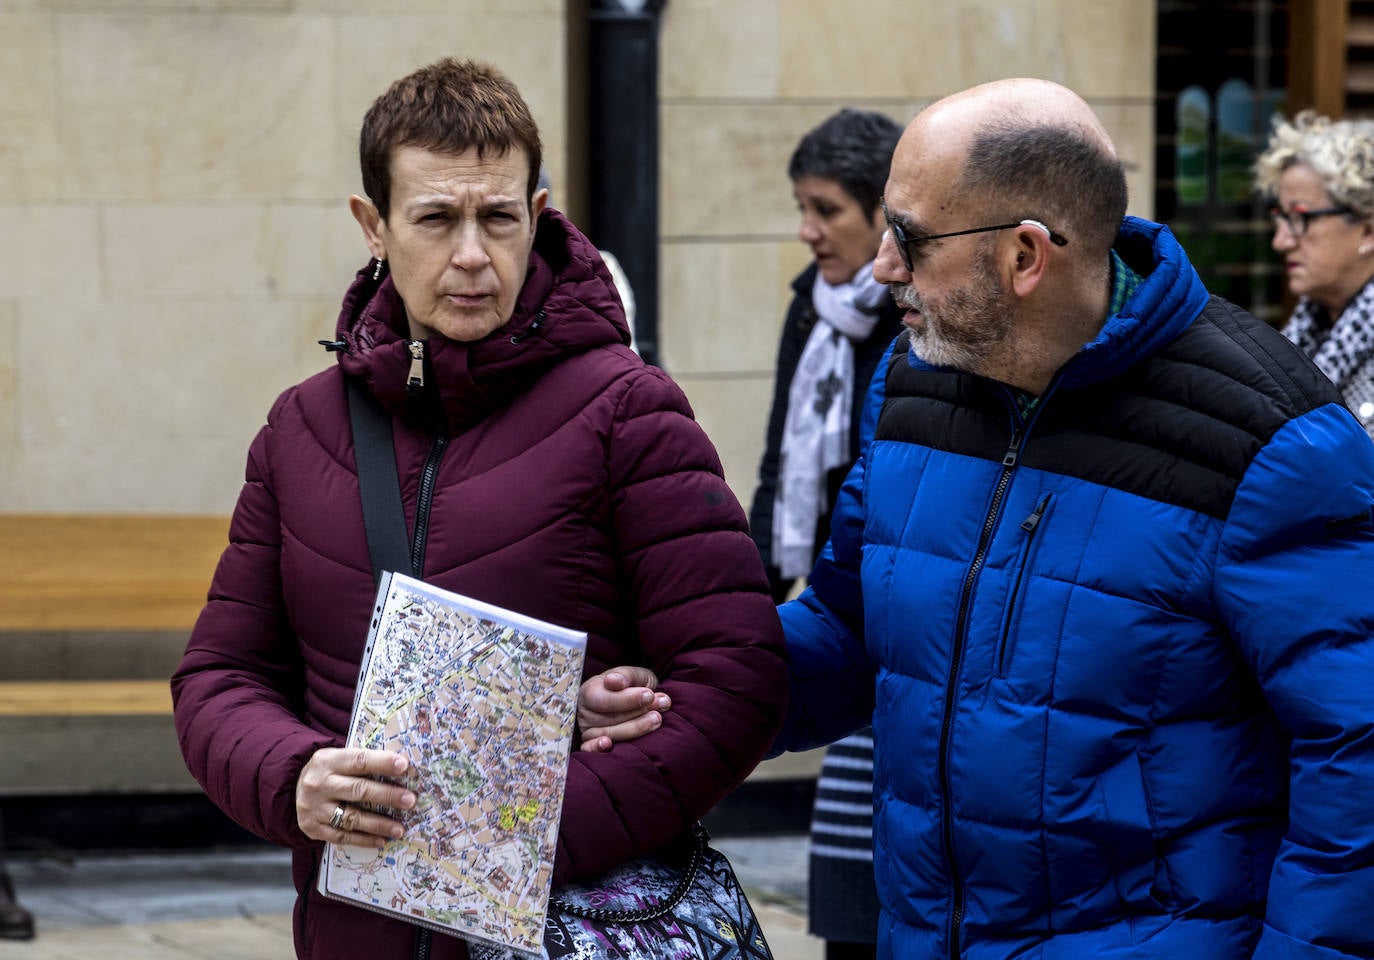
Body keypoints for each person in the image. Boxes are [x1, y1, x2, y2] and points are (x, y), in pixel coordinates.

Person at [581, 77, 1374, 958]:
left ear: (1026, 257)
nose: (881, 265)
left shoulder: (1272, 441)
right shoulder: (914, 381)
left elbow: (1357, 754)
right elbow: (848, 626)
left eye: (910, 239)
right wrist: (682, 690)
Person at [170, 57, 788, 960]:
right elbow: (219, 678)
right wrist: (292, 776)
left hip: (567, 928)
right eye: (435, 219)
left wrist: (517, 837)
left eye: (498, 218)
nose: (471, 255)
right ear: (372, 226)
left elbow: (736, 680)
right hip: (354, 934)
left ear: (537, 217)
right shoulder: (300, 429)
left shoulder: (628, 409)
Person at [746, 107, 902, 960]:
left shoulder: (916, 317)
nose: (808, 231)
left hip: (885, 601)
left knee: (866, 821)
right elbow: (781, 463)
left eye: (827, 209)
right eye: (801, 207)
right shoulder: (812, 308)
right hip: (830, 601)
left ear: (884, 211)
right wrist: (741, 606)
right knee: (848, 848)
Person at [1255, 109, 1374, 439]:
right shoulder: (1302, 335)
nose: (1281, 242)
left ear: (1367, 230)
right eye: (1281, 218)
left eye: (1300, 218)